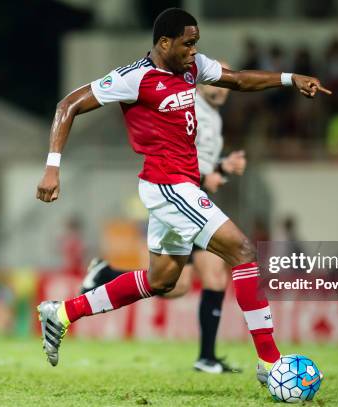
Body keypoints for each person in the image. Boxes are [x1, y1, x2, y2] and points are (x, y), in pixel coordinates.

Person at [35, 8, 330, 385]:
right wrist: (52, 166)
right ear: (164, 43)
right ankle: (271, 363)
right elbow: (68, 105)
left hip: (179, 185)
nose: (194, 51)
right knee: (242, 252)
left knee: (162, 281)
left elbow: (237, 80)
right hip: (168, 186)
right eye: (188, 43)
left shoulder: (190, 69)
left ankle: (61, 314)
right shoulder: (134, 78)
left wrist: (290, 79)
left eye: (197, 43)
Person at [80, 62, 246, 374]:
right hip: (179, 199)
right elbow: (177, 157)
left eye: (226, 82)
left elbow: (198, 163)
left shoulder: (212, 116)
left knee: (178, 285)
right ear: (200, 81)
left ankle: (105, 274)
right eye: (216, 80)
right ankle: (207, 358)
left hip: (191, 196)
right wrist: (214, 173)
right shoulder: (189, 106)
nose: (222, 87)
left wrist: (219, 168)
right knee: (212, 274)